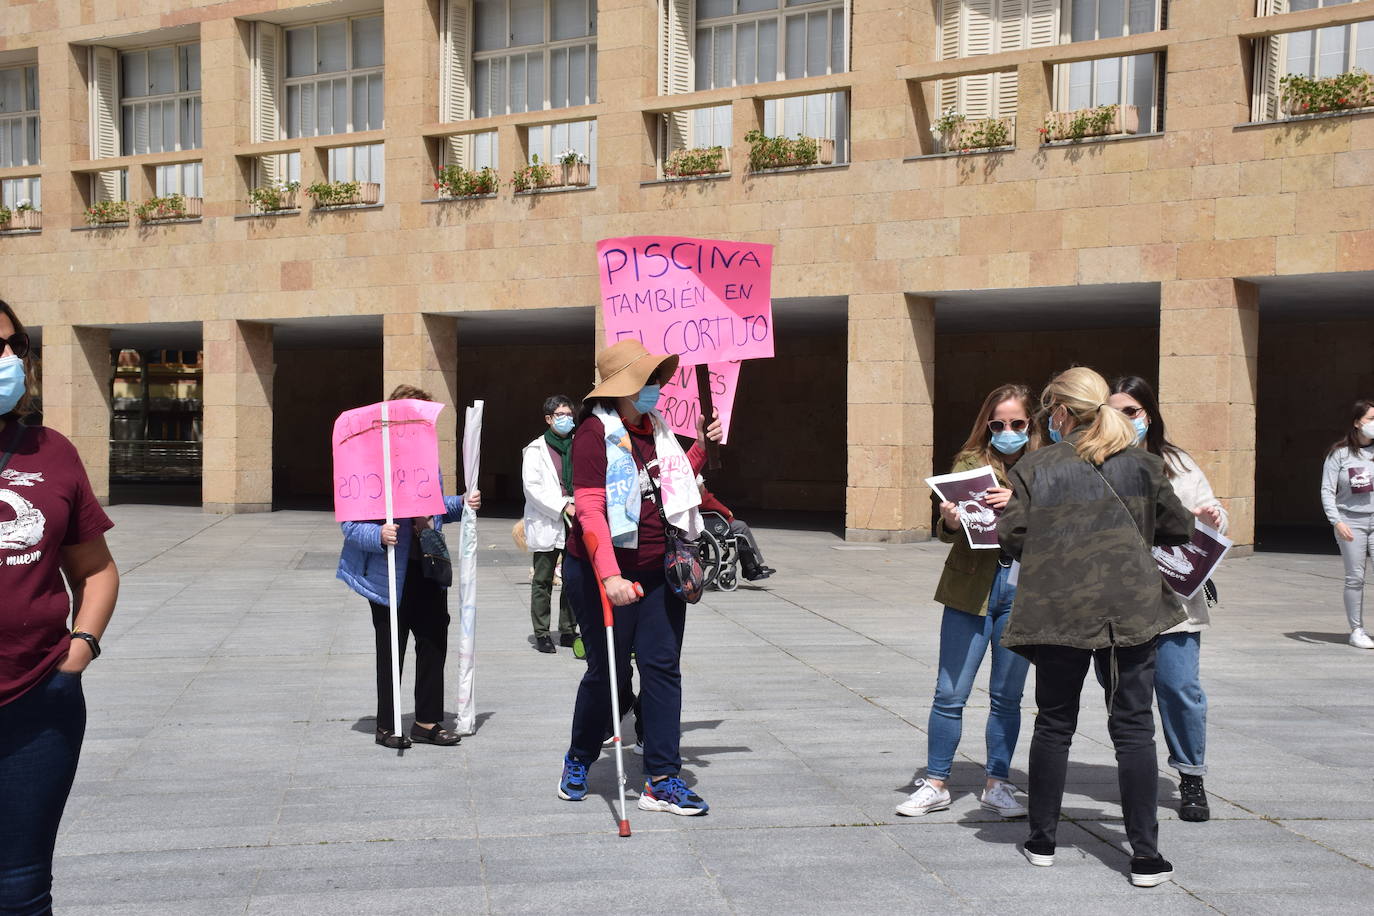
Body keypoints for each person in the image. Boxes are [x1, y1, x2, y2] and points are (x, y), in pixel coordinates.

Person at [999, 366, 1193, 888]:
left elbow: (1013, 535)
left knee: (1053, 724)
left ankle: (1042, 841)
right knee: (1132, 730)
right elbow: (1178, 527)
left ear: (1059, 411)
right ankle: (1146, 856)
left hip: (1058, 612)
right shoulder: (1144, 465)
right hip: (1129, 613)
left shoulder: (1035, 467)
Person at [557, 339, 722, 816]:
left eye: (656, 378)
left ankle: (662, 779)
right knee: (607, 674)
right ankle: (580, 756)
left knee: (662, 667)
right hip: (600, 571)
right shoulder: (593, 434)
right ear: (624, 388)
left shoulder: (659, 428)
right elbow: (589, 510)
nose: (656, 387)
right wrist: (609, 577)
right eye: (647, 380)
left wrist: (702, 449)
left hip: (657, 570)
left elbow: (671, 484)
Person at [1, 299, 120, 915]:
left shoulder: (50, 451)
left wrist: (80, 649)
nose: (5, 360)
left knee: (20, 891)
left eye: (12, 346)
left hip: (35, 705)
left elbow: (95, 569)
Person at [897, 384, 1042, 820]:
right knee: (949, 692)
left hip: (1023, 587)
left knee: (1007, 696)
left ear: (1031, 424)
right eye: (998, 424)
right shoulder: (970, 463)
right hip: (970, 587)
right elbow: (945, 527)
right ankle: (936, 782)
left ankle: (998, 784)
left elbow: (1062, 524)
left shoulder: (1047, 467)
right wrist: (948, 520)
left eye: (1017, 424)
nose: (1008, 431)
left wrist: (1019, 505)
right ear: (988, 424)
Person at [1109, 376, 1226, 823]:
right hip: (1118, 598)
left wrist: (1210, 515)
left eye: (1131, 411)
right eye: (1114, 411)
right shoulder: (1095, 460)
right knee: (1125, 695)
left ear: (1148, 416)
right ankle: (1134, 776)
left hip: (1175, 596)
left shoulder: (1176, 462)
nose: (1123, 420)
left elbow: (1210, 509)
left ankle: (1191, 776)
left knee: (1179, 687)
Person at [337, 385, 480, 749]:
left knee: (433, 641)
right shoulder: (370, 463)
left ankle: (427, 721)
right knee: (391, 647)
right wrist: (378, 534)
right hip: (388, 576)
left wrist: (461, 503)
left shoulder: (425, 463)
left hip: (427, 568)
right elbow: (350, 524)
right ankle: (387, 726)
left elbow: (432, 507)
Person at [522, 394, 580, 654]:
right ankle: (542, 632)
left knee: (573, 577)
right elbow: (532, 488)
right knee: (543, 579)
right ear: (548, 419)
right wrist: (562, 506)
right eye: (560, 415)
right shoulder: (535, 450)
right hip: (550, 517)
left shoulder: (579, 444)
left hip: (577, 518)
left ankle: (568, 629)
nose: (566, 419)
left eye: (569, 414)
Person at [1319, 399, 1374, 650]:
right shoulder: (1339, 453)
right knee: (1355, 578)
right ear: (1356, 422)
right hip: (1350, 520)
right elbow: (1327, 490)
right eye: (1371, 419)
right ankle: (1357, 630)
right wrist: (1337, 521)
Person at [698, 483, 775, 581]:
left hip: (709, 523)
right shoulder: (702, 496)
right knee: (742, 527)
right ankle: (753, 567)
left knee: (740, 532)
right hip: (713, 525)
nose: (704, 485)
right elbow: (718, 507)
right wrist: (727, 512)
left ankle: (751, 567)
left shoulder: (696, 494)